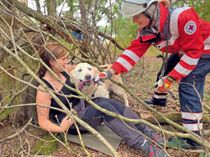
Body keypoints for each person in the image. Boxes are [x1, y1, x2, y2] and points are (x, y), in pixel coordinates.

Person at [96, 0, 210, 148]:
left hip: (204, 50)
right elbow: (133, 51)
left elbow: (194, 53)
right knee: (166, 68)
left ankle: (194, 139)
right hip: (184, 50)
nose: (134, 20)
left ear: (149, 10)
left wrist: (169, 80)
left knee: (189, 84)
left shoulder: (183, 17)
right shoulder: (149, 28)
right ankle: (159, 100)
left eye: (137, 16)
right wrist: (111, 71)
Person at [35, 42, 168, 157]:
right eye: (63, 59)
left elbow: (89, 71)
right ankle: (143, 144)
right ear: (52, 62)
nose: (67, 62)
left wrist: (108, 70)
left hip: (82, 108)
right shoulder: (44, 89)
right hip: (71, 122)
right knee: (104, 108)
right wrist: (61, 129)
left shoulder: (64, 70)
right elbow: (43, 121)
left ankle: (146, 130)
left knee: (109, 102)